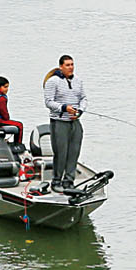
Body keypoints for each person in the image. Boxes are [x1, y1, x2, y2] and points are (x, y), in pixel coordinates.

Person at [43, 55, 85, 191]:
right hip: (59, 122)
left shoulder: (78, 81)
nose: (71, 67)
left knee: (74, 152)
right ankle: (56, 181)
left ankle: (69, 180)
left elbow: (83, 98)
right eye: (67, 65)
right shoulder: (52, 82)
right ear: (61, 66)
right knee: (61, 153)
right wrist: (64, 108)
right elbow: (49, 102)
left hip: (75, 122)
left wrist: (80, 111)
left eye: (72, 64)